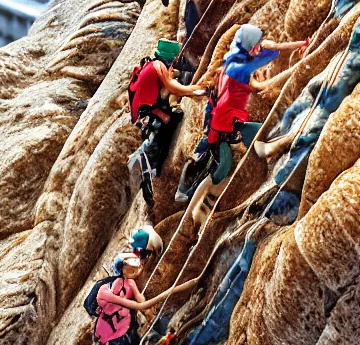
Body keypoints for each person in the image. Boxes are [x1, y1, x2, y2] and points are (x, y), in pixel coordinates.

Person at [175, 25, 307, 218]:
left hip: (231, 123)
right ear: (247, 46)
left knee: (261, 134)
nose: (258, 48)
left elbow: (267, 57)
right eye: (256, 45)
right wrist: (295, 63)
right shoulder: (239, 69)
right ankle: (194, 204)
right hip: (222, 126)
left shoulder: (236, 62)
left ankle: (274, 153)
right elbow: (265, 76)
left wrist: (300, 44)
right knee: (223, 168)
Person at [128, 39, 206, 206]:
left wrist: (185, 75)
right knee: (164, 130)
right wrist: (195, 89)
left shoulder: (153, 62)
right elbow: (173, 88)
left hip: (147, 108)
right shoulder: (158, 66)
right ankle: (146, 160)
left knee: (169, 122)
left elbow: (171, 76)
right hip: (149, 113)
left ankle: (150, 158)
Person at [92, 253, 200, 344]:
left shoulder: (130, 283)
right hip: (117, 333)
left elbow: (141, 301)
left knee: (160, 323)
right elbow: (140, 305)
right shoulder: (109, 294)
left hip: (129, 324)